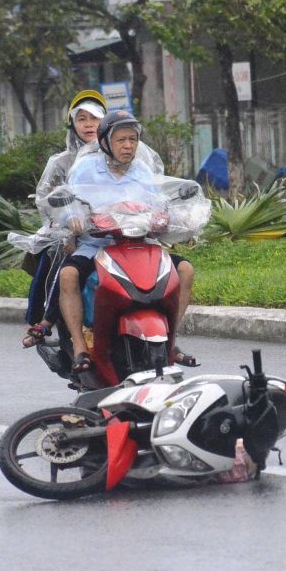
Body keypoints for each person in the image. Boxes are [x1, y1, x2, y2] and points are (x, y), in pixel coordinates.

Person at [58, 110, 200, 377]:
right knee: (68, 274)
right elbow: (70, 202)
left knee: (185, 270)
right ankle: (79, 345)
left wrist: (174, 217)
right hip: (98, 246)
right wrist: (73, 218)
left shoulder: (143, 172)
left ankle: (171, 339)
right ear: (105, 142)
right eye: (121, 140)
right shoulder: (85, 170)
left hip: (140, 245)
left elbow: (158, 203)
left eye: (133, 140)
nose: (128, 146)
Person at [20, 89, 107, 348]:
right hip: (71, 233)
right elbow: (46, 200)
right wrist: (68, 225)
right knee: (58, 259)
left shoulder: (117, 156)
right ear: (73, 124)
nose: (89, 124)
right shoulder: (61, 162)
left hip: (111, 231)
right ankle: (43, 320)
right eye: (82, 118)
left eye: (95, 118)